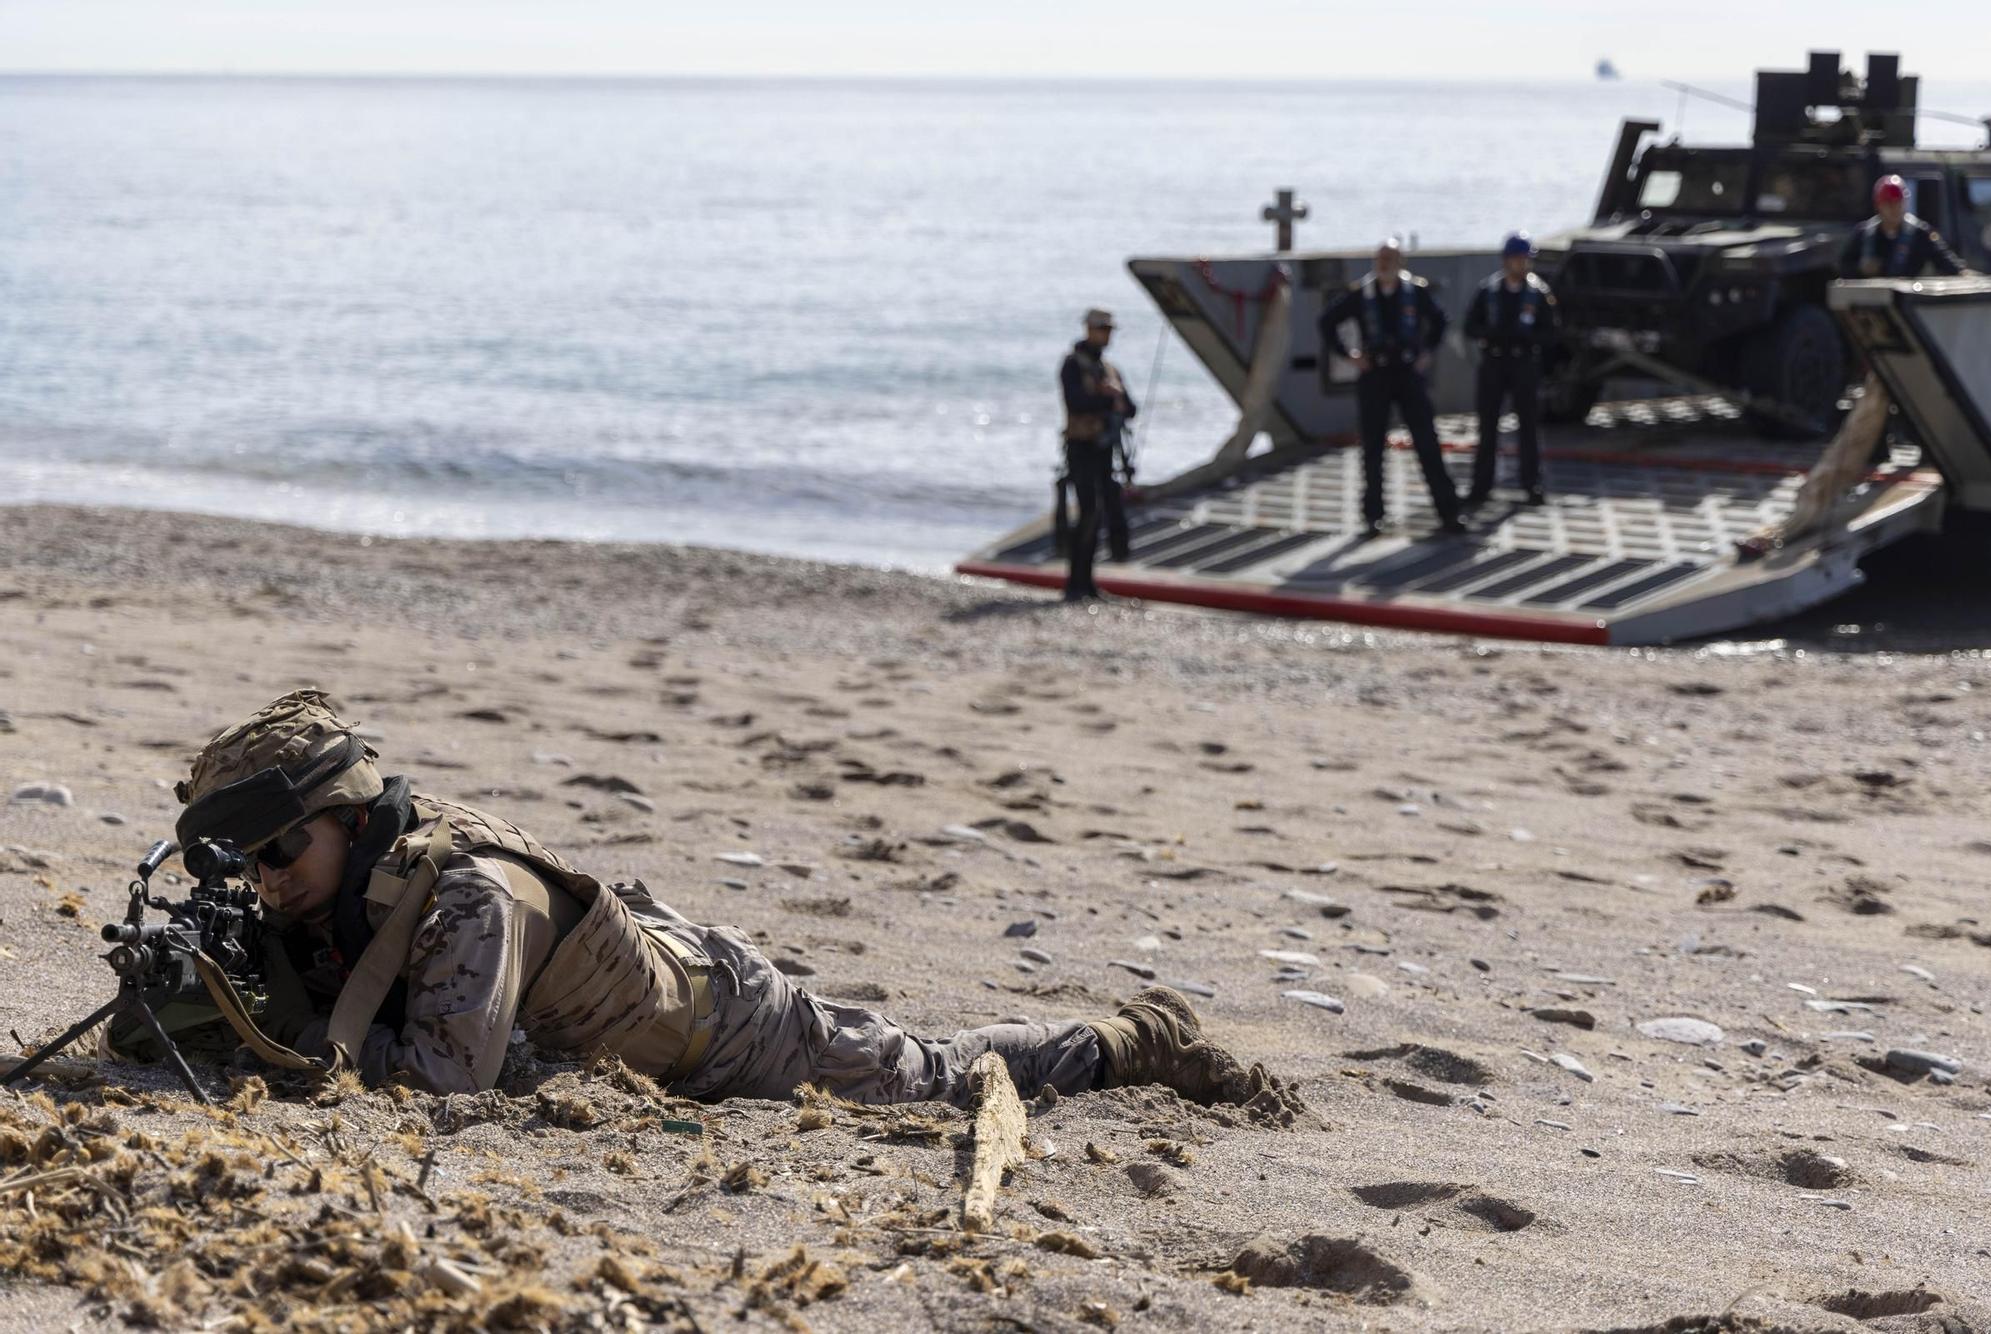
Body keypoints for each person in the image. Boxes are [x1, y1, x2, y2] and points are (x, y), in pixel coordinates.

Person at [162, 690, 1301, 1118]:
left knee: (937, 1077)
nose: (266, 876)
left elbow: (439, 1078)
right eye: (246, 860)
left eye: (279, 848)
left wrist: (280, 1031)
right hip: (632, 1009)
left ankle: (1125, 1039)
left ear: (355, 819)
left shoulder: (467, 891)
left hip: (728, 1029)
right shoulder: (345, 884)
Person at [1318, 241, 1463, 537]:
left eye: (1390, 258)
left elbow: (1439, 320)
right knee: (1372, 447)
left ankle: (1448, 512)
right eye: (1380, 258)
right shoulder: (1361, 294)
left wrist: (1427, 352)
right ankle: (1373, 515)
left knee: (1427, 443)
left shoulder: (1415, 292)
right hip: (1375, 375)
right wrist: (1350, 356)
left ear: (1401, 261)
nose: (1383, 264)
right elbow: (1327, 321)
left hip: (1408, 374)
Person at [1463, 231, 1560, 510]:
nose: (1521, 264)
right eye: (1516, 259)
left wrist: (1527, 338)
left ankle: (1532, 484)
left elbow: (1551, 332)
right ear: (1506, 260)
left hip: (1523, 364)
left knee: (1528, 426)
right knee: (1488, 427)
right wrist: (1491, 333)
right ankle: (1481, 486)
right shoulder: (1488, 290)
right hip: (1494, 363)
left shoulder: (1538, 293)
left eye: (1524, 259)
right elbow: (1470, 325)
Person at [1058, 308, 1138, 601]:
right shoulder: (1072, 365)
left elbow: (1130, 409)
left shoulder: (1110, 369)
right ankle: (1074, 583)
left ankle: (1087, 583)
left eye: (1108, 330)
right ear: (1088, 329)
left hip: (1106, 450)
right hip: (1081, 448)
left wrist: (1115, 397)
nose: (1105, 335)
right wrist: (1105, 399)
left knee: (1102, 514)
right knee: (1087, 513)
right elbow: (1075, 402)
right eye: (1101, 329)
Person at [1840, 175, 1972, 279]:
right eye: (1888, 204)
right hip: (1871, 304)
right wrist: (1860, 269)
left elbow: (1946, 261)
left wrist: (1962, 272)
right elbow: (1843, 268)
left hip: (1907, 302)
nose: (1894, 209)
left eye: (1898, 203)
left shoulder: (1920, 233)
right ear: (1878, 206)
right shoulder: (1864, 234)